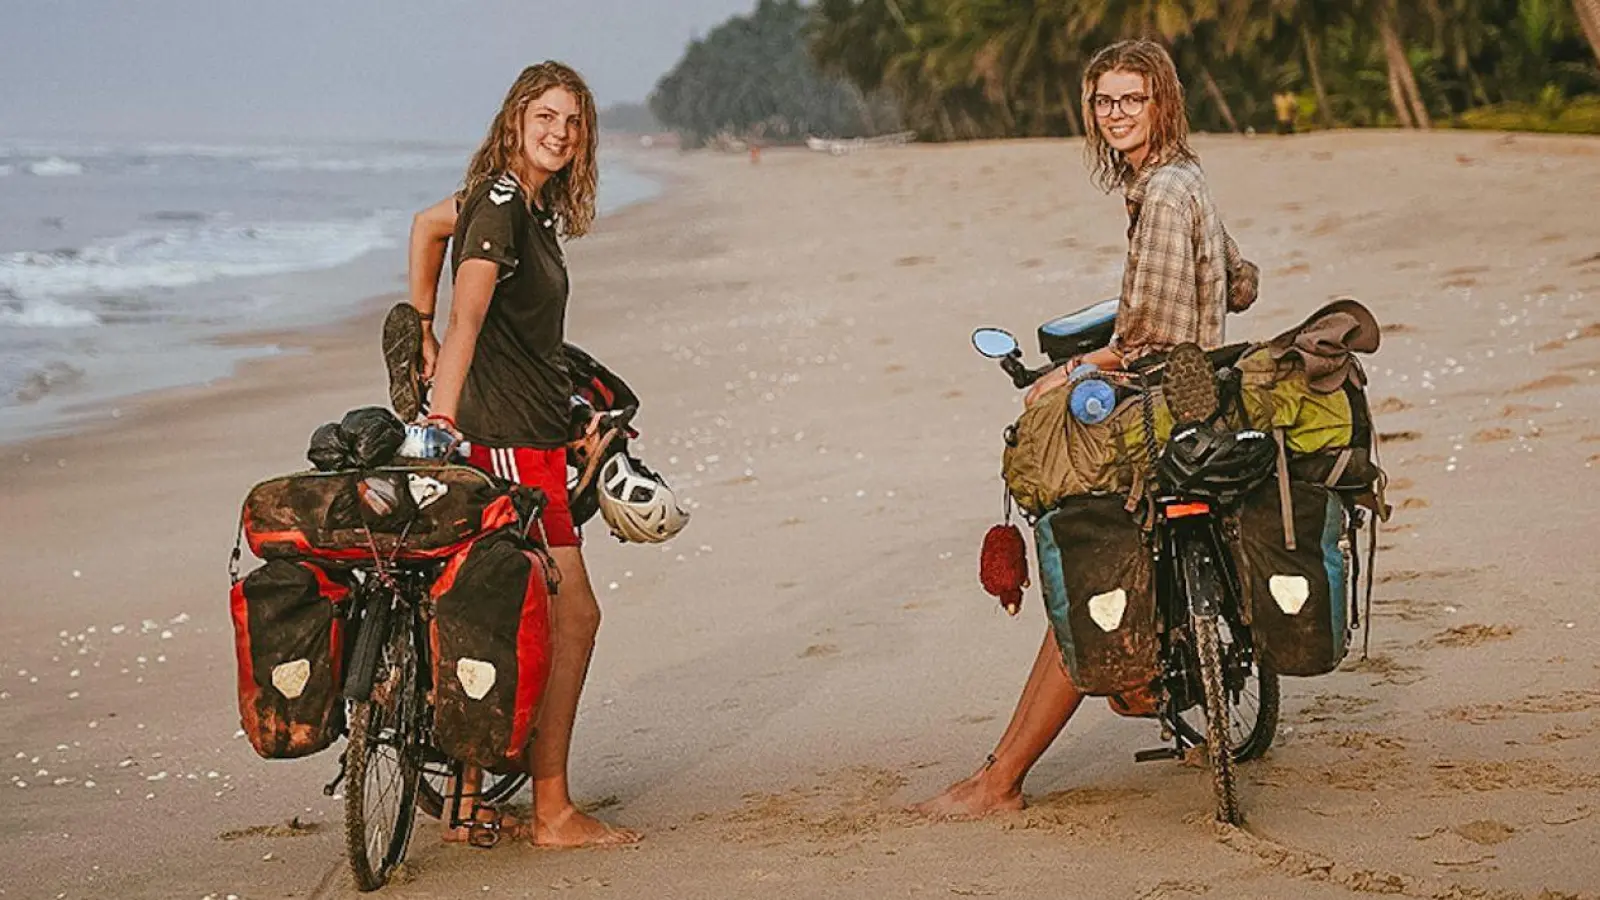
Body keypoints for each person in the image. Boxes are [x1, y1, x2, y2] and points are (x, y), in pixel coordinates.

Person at [912, 39, 1258, 820]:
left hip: (1164, 395)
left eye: (1132, 99)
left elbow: (1149, 336)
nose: (1116, 115)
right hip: (1204, 390)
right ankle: (1141, 687)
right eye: (1104, 101)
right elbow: (1241, 279)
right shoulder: (1183, 179)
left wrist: (1062, 376)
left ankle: (1001, 780)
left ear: (1161, 102)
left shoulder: (1163, 194)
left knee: (1083, 548)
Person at [396, 60, 638, 848]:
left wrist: (416, 318)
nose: (561, 132)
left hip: (530, 433)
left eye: (574, 122)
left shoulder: (512, 204)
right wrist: (437, 406)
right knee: (577, 617)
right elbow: (471, 321)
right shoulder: (502, 204)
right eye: (547, 115)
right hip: (501, 444)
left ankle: (468, 811)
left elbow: (425, 225)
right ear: (515, 118)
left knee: (498, 614)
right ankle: (553, 810)